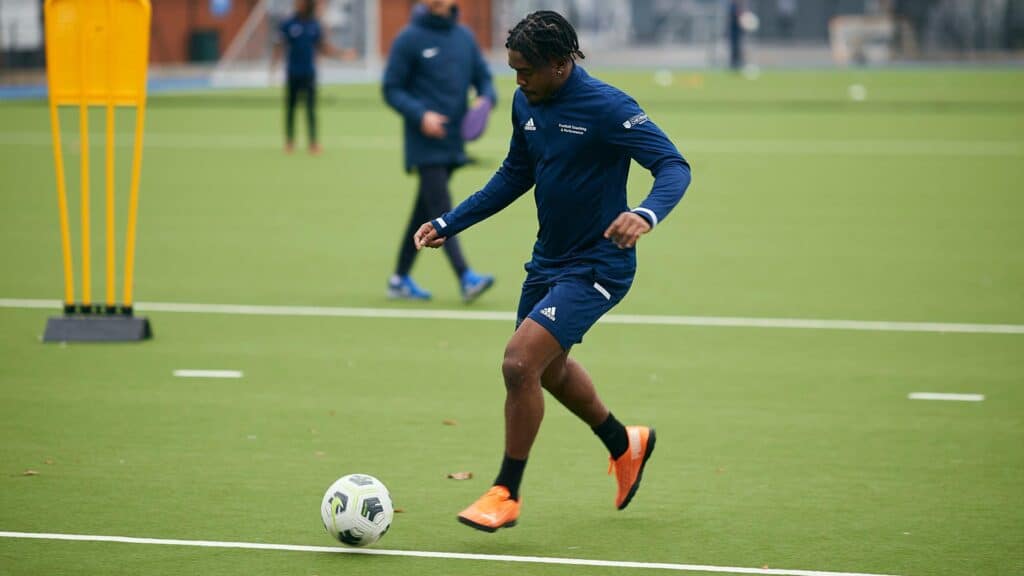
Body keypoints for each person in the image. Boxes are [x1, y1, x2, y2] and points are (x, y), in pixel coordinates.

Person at [413, 10, 691, 532]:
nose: (517, 81)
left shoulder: (608, 107)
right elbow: (516, 172)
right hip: (548, 260)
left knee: (519, 363)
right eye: (513, 69)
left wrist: (646, 213)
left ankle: (505, 492)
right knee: (550, 370)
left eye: (526, 71)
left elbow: (673, 165)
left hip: (599, 263)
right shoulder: (527, 101)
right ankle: (623, 443)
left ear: (561, 65)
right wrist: (452, 220)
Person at [382, 0, 496, 302]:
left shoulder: (464, 37)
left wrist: (485, 99)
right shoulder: (408, 38)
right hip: (424, 143)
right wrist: (421, 115)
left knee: (425, 208)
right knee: (442, 207)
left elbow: (484, 78)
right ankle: (466, 277)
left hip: (453, 142)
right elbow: (391, 88)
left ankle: (398, 279)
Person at [271, 0, 354, 155]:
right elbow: (279, 46)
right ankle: (290, 141)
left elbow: (323, 47)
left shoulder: (314, 25)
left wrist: (342, 54)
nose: (298, 4)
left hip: (309, 74)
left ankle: (313, 142)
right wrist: (273, 69)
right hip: (292, 73)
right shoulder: (288, 24)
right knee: (290, 108)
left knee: (311, 109)